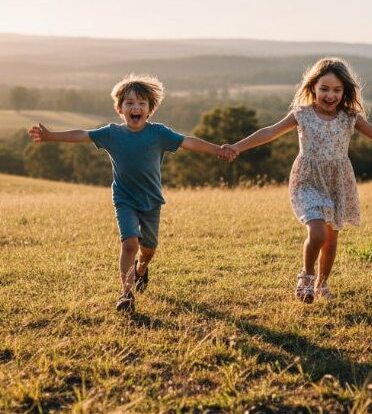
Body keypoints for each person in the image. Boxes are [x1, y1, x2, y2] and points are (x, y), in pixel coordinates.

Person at [223, 58, 372, 303]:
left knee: (331, 237)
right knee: (317, 233)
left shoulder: (349, 117)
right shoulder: (301, 114)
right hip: (307, 179)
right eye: (324, 89)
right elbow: (270, 131)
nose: (330, 95)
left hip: (338, 180)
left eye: (337, 90)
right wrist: (238, 147)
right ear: (312, 87)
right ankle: (306, 278)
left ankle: (322, 284)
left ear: (345, 91)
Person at [28, 74, 235, 312]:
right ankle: (126, 295)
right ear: (119, 109)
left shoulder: (159, 134)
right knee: (130, 244)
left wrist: (218, 150)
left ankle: (141, 270)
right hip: (124, 199)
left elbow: (188, 141)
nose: (135, 108)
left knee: (148, 250)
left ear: (150, 109)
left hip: (151, 201)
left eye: (141, 104)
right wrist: (51, 136)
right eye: (129, 103)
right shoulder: (111, 134)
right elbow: (82, 135)